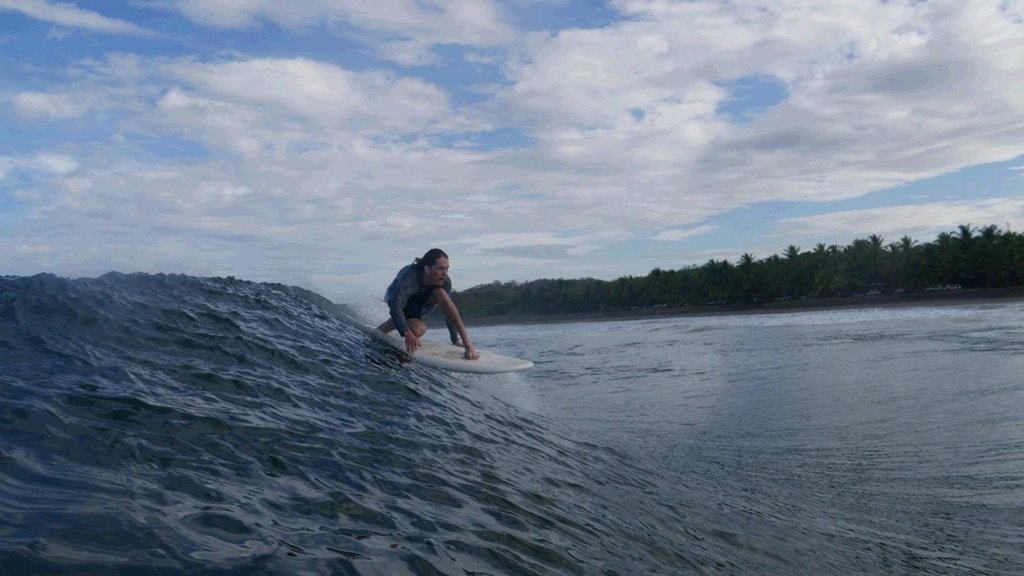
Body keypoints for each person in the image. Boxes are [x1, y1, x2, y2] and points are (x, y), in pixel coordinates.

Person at [377, 248, 479, 360]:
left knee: (440, 293)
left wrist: (457, 341)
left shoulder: (445, 282)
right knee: (417, 330)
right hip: (396, 298)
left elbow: (450, 313)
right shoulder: (410, 278)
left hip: (419, 303)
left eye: (447, 268)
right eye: (440, 268)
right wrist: (407, 333)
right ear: (427, 268)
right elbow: (395, 305)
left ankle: (398, 322)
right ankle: (390, 324)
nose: (445, 273)